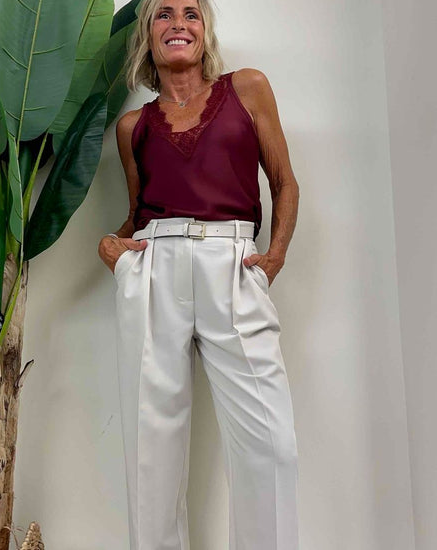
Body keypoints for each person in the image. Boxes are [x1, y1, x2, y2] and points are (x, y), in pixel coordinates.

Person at [98, 0, 300, 548]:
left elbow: (283, 181)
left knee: (270, 442)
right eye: (163, 14)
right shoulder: (133, 127)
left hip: (232, 263)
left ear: (204, 30)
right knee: (151, 446)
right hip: (154, 270)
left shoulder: (247, 88)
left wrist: (275, 256)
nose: (178, 24)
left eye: (190, 13)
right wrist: (114, 247)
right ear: (148, 34)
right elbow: (141, 211)